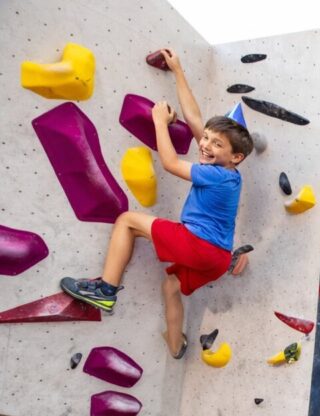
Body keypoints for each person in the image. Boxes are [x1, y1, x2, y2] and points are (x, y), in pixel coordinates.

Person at [60, 48, 252, 358]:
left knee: (127, 221)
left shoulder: (217, 176)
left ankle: (106, 290)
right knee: (171, 285)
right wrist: (177, 71)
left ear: (236, 157)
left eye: (216, 144)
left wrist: (159, 121)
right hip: (216, 259)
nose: (205, 145)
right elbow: (194, 120)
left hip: (198, 244)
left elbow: (170, 163)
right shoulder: (228, 172)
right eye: (206, 139)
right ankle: (176, 345)